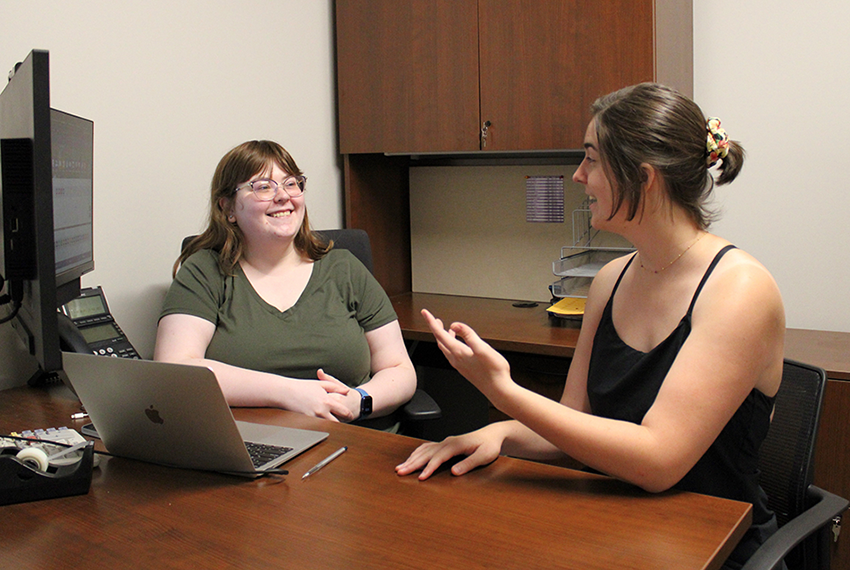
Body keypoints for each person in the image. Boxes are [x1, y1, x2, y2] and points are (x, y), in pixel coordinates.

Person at [395, 84, 785, 569]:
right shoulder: (610, 280)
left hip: (713, 545)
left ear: (643, 177)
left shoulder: (739, 290)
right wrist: (501, 434)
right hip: (616, 530)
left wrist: (505, 392)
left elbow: (658, 462)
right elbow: (576, 421)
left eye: (592, 160)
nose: (578, 175)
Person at [154, 140, 416, 428]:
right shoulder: (205, 272)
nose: (283, 196)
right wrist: (289, 393)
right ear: (228, 207)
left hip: (354, 440)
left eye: (291, 184)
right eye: (263, 187)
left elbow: (399, 369)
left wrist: (358, 401)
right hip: (249, 445)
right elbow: (175, 368)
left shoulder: (345, 269)